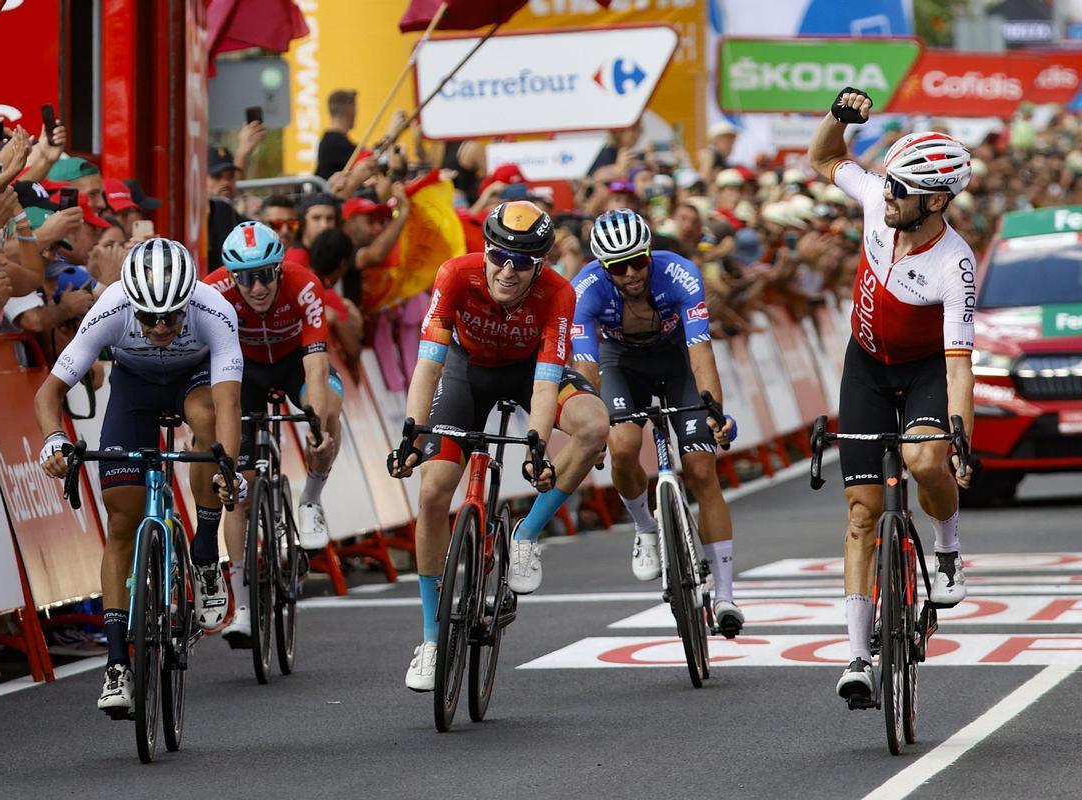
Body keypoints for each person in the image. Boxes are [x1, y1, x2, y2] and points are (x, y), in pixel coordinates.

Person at [388, 201, 609, 692]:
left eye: (524, 261)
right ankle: (430, 639)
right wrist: (412, 432)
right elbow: (428, 365)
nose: (508, 270)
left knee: (594, 427)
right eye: (499, 256)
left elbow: (548, 382)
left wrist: (537, 444)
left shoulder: (558, 292)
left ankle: (526, 536)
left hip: (531, 371)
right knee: (431, 494)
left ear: (542, 263)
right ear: (484, 250)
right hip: (467, 374)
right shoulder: (454, 275)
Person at [807, 88, 976, 701]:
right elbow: (823, 159)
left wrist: (961, 438)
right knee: (861, 513)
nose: (888, 194)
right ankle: (857, 656)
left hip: (928, 368)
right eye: (888, 184)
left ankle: (948, 546)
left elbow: (960, 365)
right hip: (866, 365)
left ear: (936, 199)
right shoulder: (879, 203)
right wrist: (840, 117)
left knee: (925, 459)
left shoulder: (954, 263)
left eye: (901, 190)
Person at [35, 238, 245, 717]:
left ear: (188, 301)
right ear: (131, 304)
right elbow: (49, 392)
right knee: (120, 526)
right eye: (149, 319)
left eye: (171, 317)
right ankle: (116, 665)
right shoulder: (110, 307)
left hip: (195, 383)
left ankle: (207, 553)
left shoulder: (214, 310)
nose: (161, 328)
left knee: (207, 421)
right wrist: (52, 440)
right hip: (134, 390)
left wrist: (228, 468)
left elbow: (229, 402)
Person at [570, 209, 744, 636]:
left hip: (676, 362)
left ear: (650, 253)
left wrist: (714, 413)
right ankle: (646, 526)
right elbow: (587, 367)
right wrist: (591, 426)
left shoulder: (680, 274)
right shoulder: (585, 290)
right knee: (624, 447)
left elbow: (701, 351)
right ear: (602, 267)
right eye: (618, 266)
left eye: (638, 261)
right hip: (620, 365)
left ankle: (725, 595)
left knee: (703, 469)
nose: (631, 273)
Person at [204, 221, 343, 645]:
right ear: (232, 275)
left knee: (330, 410)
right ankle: (242, 607)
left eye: (266, 273)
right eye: (246, 277)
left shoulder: (304, 285)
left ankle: (311, 500)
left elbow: (316, 365)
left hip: (294, 362)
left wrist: (315, 423)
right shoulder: (213, 293)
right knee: (238, 487)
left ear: (280, 268)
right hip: (242, 372)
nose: (258, 286)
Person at [316, 90, 358, 180]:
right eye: (355, 107)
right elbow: (369, 160)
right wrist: (389, 136)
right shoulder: (335, 143)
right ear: (350, 109)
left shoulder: (330, 140)